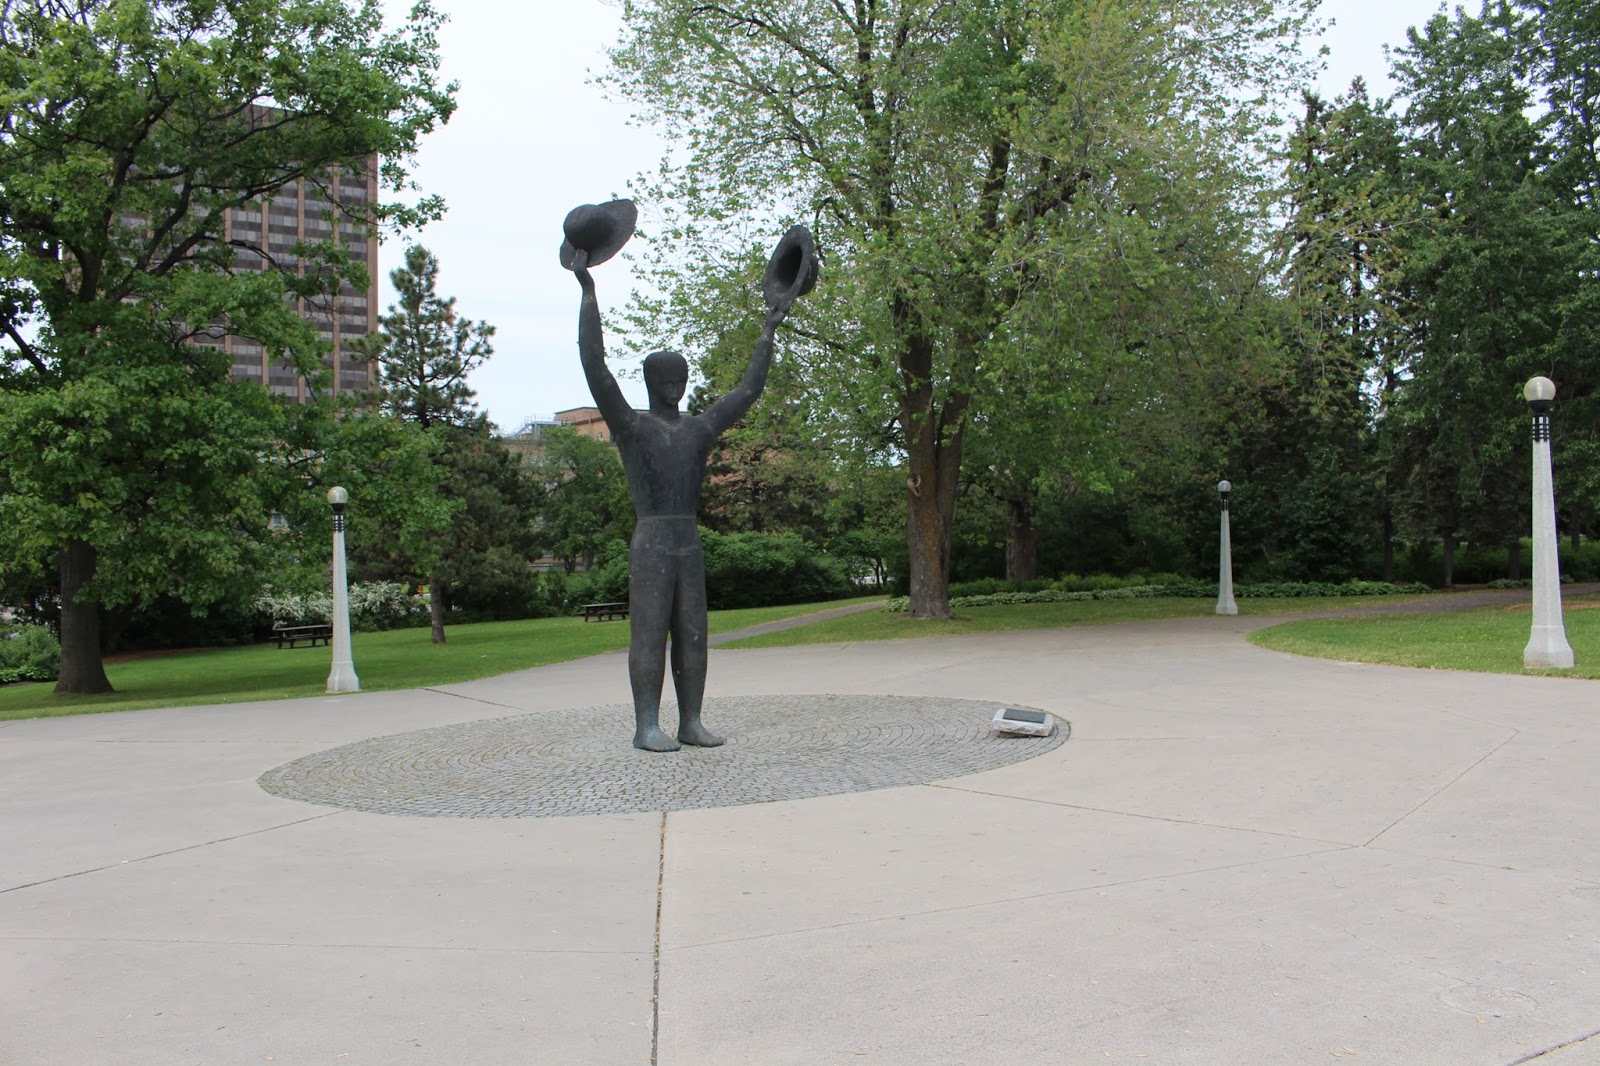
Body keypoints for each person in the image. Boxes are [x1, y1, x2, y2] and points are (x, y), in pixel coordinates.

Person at [569, 223, 813, 751]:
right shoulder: (632, 426)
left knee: (695, 635)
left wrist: (769, 330)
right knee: (650, 634)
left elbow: (749, 389)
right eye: (668, 377)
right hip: (653, 539)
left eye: (682, 376)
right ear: (653, 381)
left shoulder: (699, 429)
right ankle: (646, 725)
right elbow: (595, 365)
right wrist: (588, 292)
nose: (677, 385)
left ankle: (692, 720)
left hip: (687, 540)